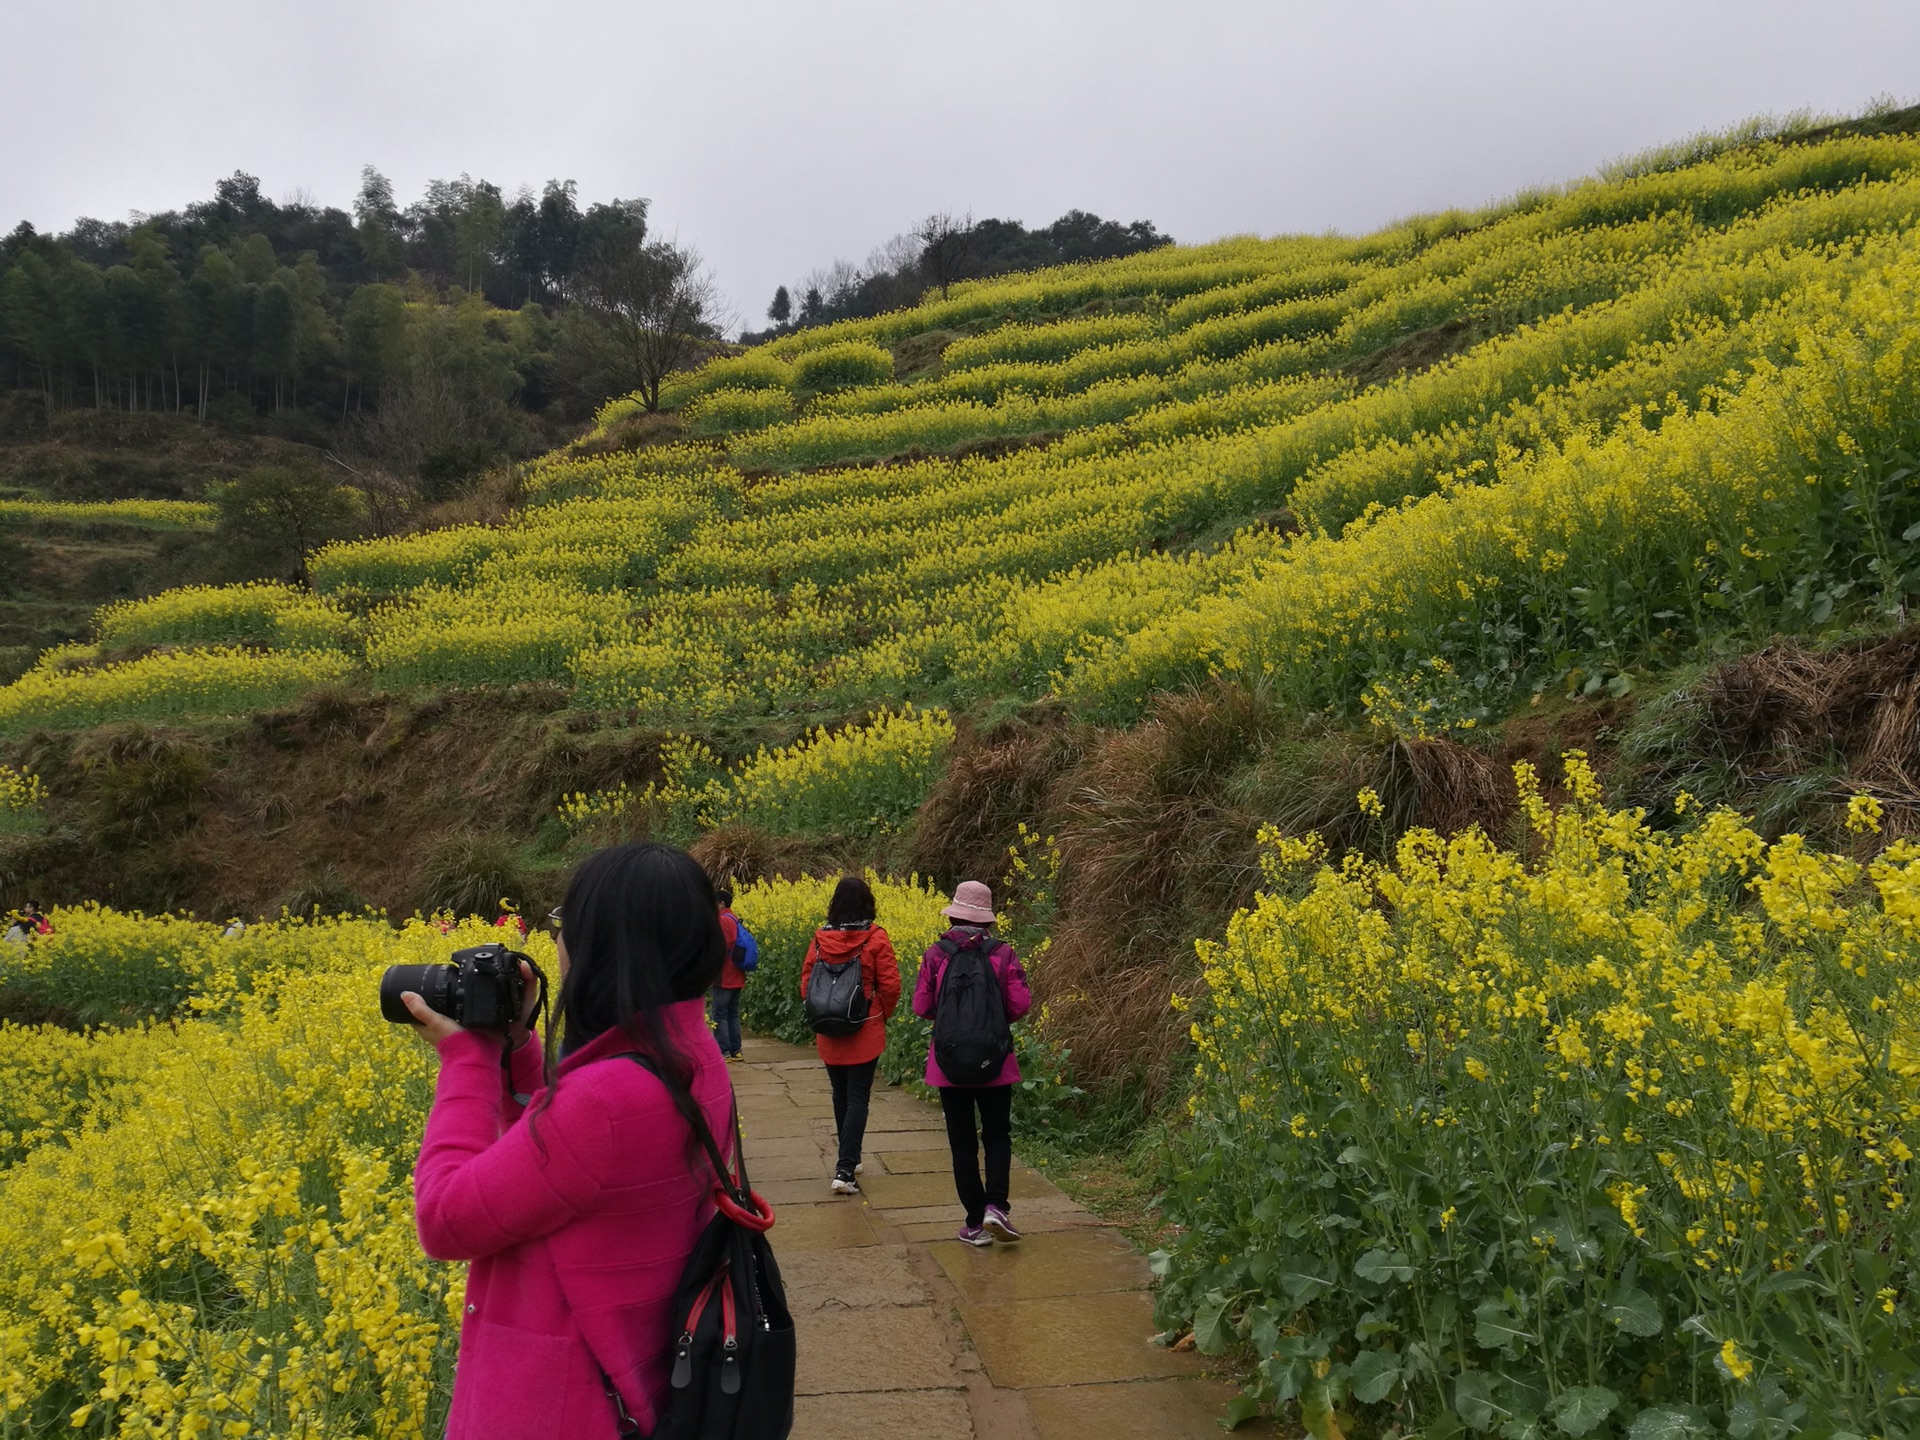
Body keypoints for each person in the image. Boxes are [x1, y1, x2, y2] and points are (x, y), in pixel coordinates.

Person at [398, 842, 734, 1440]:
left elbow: (444, 1220)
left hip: (557, 1405)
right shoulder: (693, 1057)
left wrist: (468, 1059)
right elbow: (569, 1165)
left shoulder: (601, 1104)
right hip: (637, 1379)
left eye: (564, 925)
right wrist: (521, 1051)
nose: (558, 942)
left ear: (601, 947)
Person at [913, 880, 1031, 1246]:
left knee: (962, 1143)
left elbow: (922, 1007)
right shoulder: (1002, 953)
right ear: (987, 919)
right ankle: (996, 1206)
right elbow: (1019, 1005)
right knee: (997, 1136)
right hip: (995, 1061)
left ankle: (974, 1224)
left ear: (954, 914)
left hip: (947, 1064)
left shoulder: (937, 954)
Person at [799, 875, 900, 1195]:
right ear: (868, 903)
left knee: (840, 1094)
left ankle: (849, 1156)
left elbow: (807, 983)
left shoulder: (819, 939)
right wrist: (879, 1014)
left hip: (829, 1028)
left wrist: (822, 1012)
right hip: (864, 1028)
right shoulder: (876, 938)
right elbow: (891, 985)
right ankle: (844, 1169)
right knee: (857, 1097)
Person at [711, 880, 757, 1062]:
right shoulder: (734, 918)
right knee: (732, 1013)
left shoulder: (722, 920)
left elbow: (722, 947)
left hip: (725, 975)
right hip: (737, 973)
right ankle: (736, 1050)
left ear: (721, 903)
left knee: (719, 1014)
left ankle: (724, 1051)